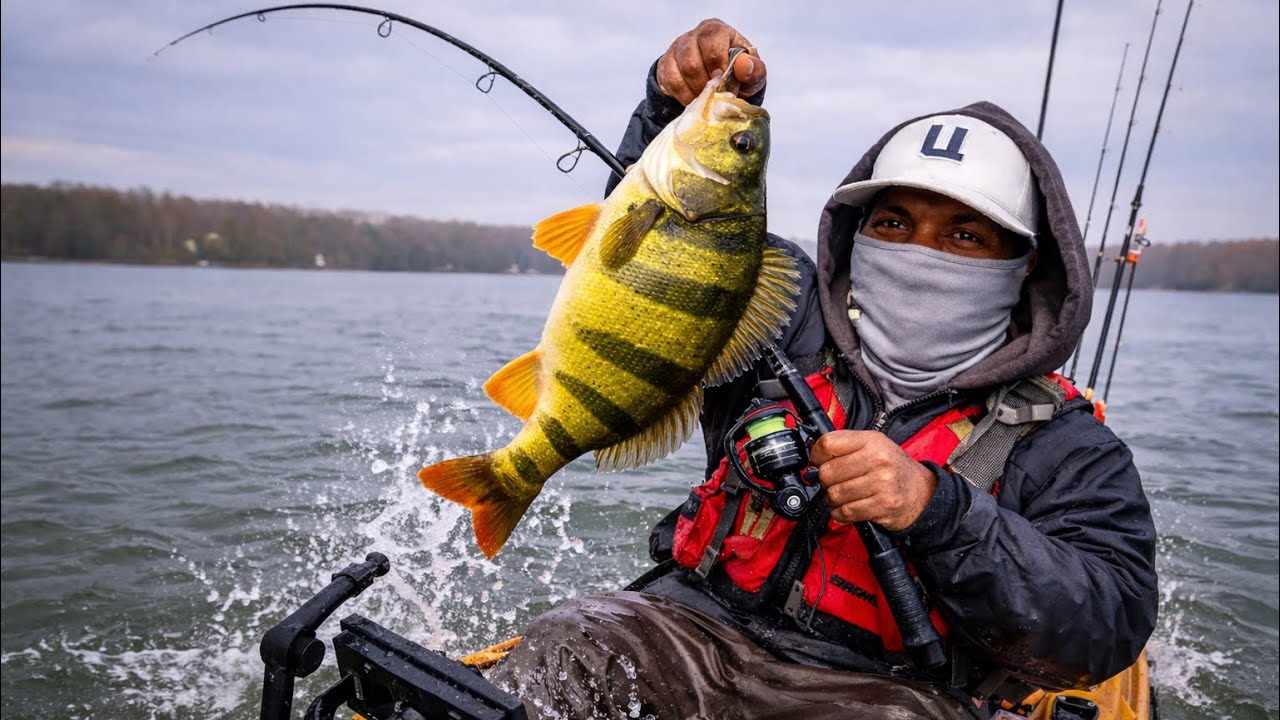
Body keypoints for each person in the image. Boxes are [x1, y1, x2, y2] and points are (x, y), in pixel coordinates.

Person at [488, 18, 1158, 719]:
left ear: (1024, 268)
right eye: (893, 222)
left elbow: (1106, 624)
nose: (918, 249)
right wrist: (675, 110)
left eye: (963, 234)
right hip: (686, 633)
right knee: (568, 645)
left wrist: (938, 510)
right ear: (856, 234)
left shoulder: (1069, 445)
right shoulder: (782, 315)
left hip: (889, 691)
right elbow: (658, 259)